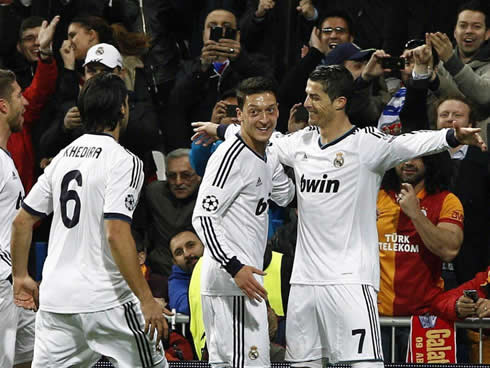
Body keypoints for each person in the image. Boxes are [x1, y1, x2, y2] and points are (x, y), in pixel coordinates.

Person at [193, 64, 487, 368]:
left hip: (350, 281)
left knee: (363, 364)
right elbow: (267, 137)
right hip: (304, 284)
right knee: (303, 365)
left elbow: (407, 143)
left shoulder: (367, 145)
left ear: (339, 102)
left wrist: (451, 137)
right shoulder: (299, 144)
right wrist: (220, 129)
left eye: (314, 97)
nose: (306, 104)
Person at [10, 73, 169, 368]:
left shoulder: (62, 157)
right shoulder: (125, 161)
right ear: (123, 108)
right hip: (106, 299)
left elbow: (21, 222)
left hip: (57, 301)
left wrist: (20, 276)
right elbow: (116, 232)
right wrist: (146, 299)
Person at [192, 76, 295, 368]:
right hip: (232, 282)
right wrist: (234, 267)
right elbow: (203, 218)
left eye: (271, 110)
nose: (264, 119)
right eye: (255, 111)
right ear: (240, 115)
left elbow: (285, 196)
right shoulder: (230, 157)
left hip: (244, 282)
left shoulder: (265, 154)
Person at [377, 154, 464, 361]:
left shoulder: (447, 201)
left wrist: (415, 214)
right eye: (403, 156)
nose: (408, 162)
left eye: (417, 158)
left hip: (424, 322)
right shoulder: (374, 197)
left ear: (431, 160)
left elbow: (449, 251)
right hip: (375, 321)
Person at [434, 96, 490, 285]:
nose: (450, 119)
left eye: (457, 115)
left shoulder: (485, 161)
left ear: (471, 123)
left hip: (474, 255)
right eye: (444, 114)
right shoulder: (424, 160)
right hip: (431, 253)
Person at [0, 68, 33, 368]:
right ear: (3, 105)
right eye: (19, 95)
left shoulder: (5, 156)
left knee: (34, 355)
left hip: (12, 283)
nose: (25, 103)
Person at [424, 0, 490, 143]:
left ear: (487, 34)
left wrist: (450, 62)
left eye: (476, 26)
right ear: (455, 31)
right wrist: (423, 73)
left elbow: (484, 96)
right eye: (463, 25)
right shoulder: (440, 63)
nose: (469, 31)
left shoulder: (448, 60)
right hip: (437, 142)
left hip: (477, 146)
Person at [138, 148, 201, 277]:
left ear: (199, 174)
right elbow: (138, 229)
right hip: (160, 272)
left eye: (186, 175)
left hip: (202, 272)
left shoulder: (210, 196)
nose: (178, 182)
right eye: (172, 176)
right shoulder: (153, 193)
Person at [168, 229, 204, 315]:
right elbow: (184, 306)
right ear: (175, 262)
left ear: (204, 244)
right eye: (179, 252)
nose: (187, 254)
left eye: (191, 245)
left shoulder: (225, 264)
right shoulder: (176, 280)